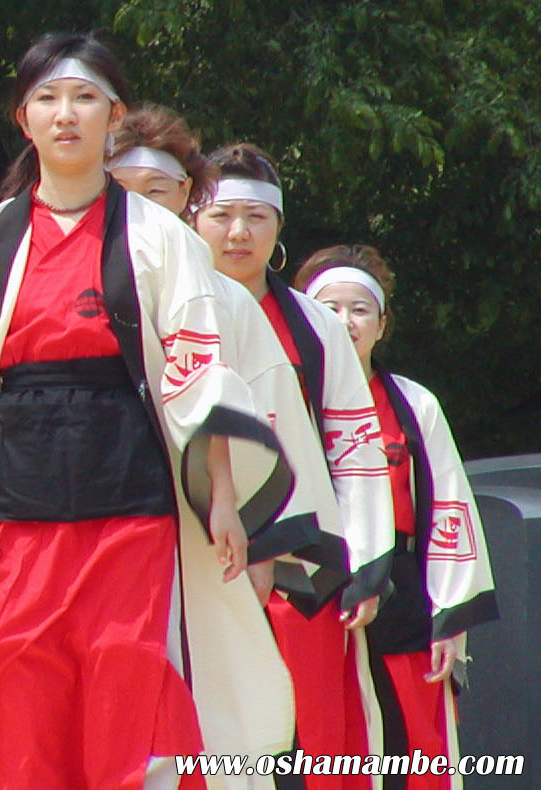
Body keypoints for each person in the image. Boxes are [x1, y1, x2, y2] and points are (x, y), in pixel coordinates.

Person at [0, 32, 296, 789]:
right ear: (22, 118)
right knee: (11, 676)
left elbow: (199, 375)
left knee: (122, 675)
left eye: (85, 97)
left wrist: (223, 497)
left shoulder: (163, 239)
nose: (66, 114)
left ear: (114, 113)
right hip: (10, 502)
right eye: (47, 98)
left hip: (128, 500)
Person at [195, 144, 394, 789]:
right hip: (193, 554)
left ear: (278, 230)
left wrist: (364, 559)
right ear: (195, 218)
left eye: (257, 216)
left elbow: (354, 447)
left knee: (311, 740)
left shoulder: (316, 326)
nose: (239, 232)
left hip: (299, 563)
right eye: (223, 214)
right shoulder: (171, 312)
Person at [110, 106, 339, 608]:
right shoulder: (55, 280)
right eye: (122, 189)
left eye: (155, 190)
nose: (139, 207)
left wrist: (262, 538)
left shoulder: (229, 301)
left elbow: (270, 418)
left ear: (185, 197)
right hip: (91, 509)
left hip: (199, 520)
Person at [297, 245, 498, 790]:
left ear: (383, 323)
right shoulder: (286, 399)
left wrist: (450, 617)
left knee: (411, 752)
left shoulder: (414, 404)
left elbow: (449, 506)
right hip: (308, 595)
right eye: (328, 307)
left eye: (360, 308)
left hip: (401, 597)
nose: (344, 321)